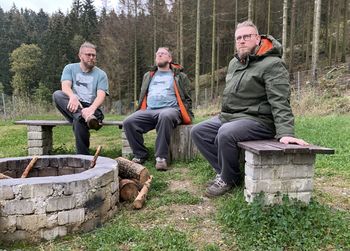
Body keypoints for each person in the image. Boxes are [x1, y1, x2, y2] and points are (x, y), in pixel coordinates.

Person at [191, 20, 308, 197]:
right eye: (238, 38)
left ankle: (228, 179)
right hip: (232, 117)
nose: (242, 41)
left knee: (226, 132)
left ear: (258, 38)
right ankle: (226, 172)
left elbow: (280, 100)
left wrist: (286, 133)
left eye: (247, 36)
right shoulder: (234, 63)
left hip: (259, 120)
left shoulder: (272, 64)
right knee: (198, 131)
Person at [123, 47, 193, 171]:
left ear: (170, 58)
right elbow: (143, 94)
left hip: (171, 110)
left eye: (163, 54)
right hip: (149, 110)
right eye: (157, 54)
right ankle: (140, 154)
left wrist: (188, 113)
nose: (159, 55)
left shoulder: (179, 76)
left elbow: (187, 97)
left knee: (165, 116)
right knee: (128, 122)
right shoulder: (148, 75)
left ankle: (161, 157)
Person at [53, 42, 109, 155]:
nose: (92, 58)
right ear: (80, 56)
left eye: (94, 55)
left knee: (78, 120)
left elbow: (101, 95)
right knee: (57, 95)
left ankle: (82, 157)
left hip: (93, 110)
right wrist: (72, 96)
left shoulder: (101, 74)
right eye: (88, 55)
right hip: (75, 105)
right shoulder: (69, 68)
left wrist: (91, 109)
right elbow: (65, 86)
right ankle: (84, 117)